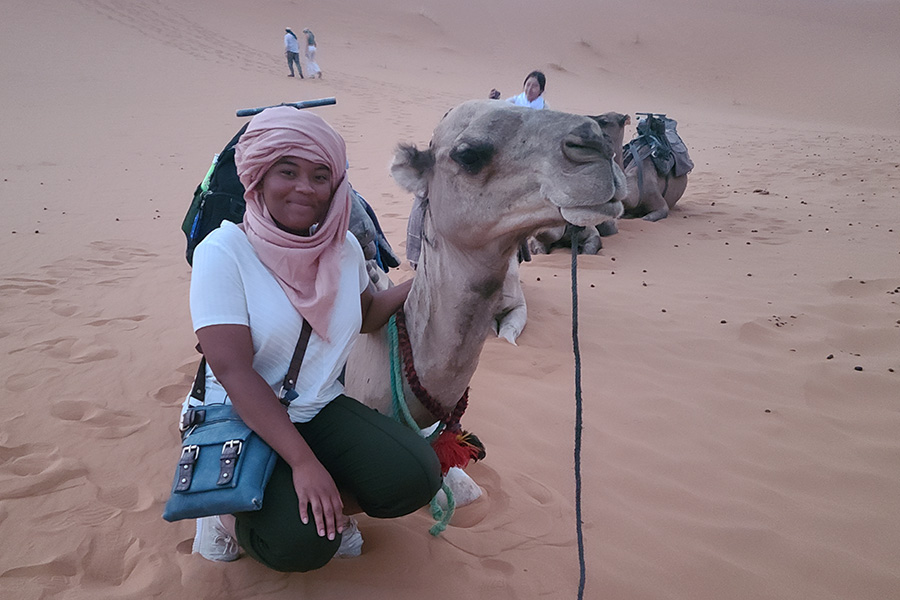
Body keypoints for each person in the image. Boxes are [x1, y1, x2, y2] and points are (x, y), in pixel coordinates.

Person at [186, 107, 442, 571]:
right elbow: (232, 371)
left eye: (320, 175)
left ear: (335, 187)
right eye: (288, 171)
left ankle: (317, 508)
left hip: (317, 405)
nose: (305, 186)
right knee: (300, 546)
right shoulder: (223, 253)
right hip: (242, 412)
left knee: (415, 475)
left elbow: (365, 314)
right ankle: (222, 514)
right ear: (259, 177)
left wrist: (431, 279)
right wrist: (304, 463)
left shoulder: (340, 248)